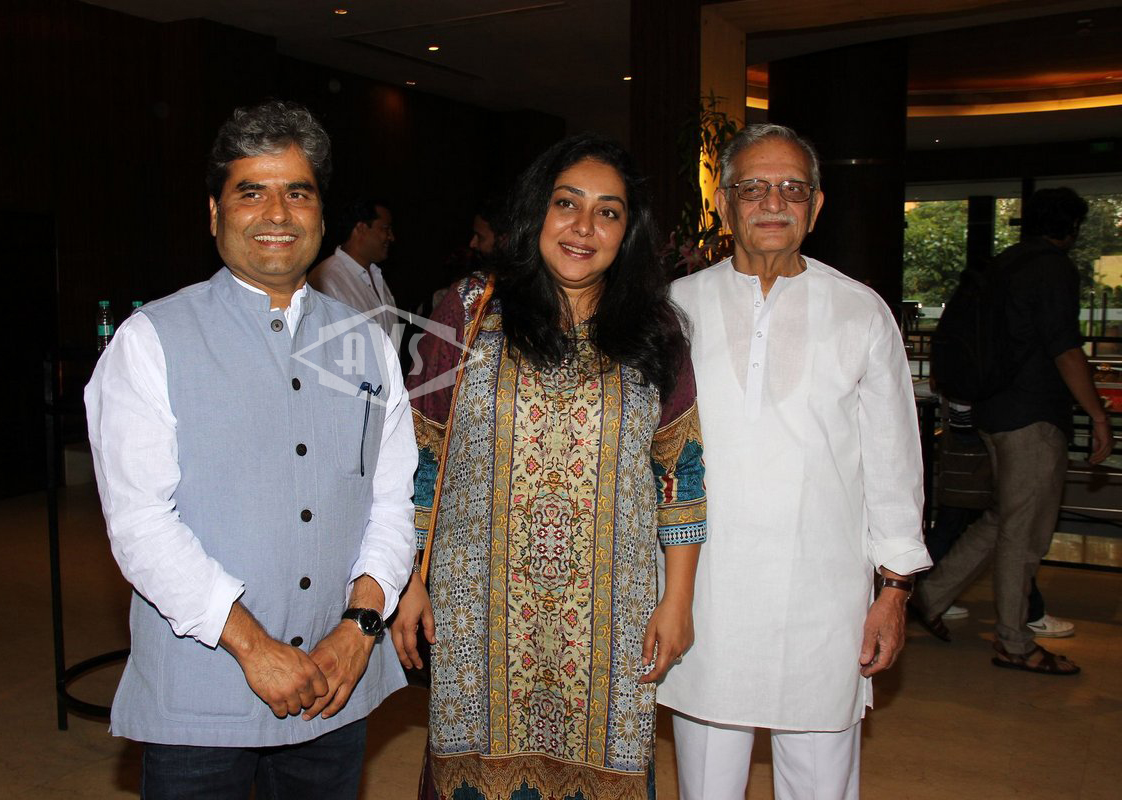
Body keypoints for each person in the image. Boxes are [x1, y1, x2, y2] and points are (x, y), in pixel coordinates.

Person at [84, 100, 417, 799]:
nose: (277, 213)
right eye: (251, 192)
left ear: (320, 216)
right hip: (205, 692)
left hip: (336, 681)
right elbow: (141, 523)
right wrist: (254, 647)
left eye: (298, 192)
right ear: (214, 213)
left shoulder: (368, 345)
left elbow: (390, 503)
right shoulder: (151, 342)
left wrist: (360, 627)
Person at [390, 133, 707, 800]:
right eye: (567, 204)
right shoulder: (471, 309)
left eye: (607, 212)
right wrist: (409, 578)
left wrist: (677, 599)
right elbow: (421, 453)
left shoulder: (654, 329)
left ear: (628, 231)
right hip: (477, 609)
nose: (584, 227)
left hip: (610, 616)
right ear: (538, 211)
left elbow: (681, 469)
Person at [660, 123, 931, 800]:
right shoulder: (675, 309)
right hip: (705, 592)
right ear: (724, 203)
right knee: (706, 783)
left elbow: (895, 461)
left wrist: (894, 589)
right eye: (753, 187)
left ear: (817, 205)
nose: (773, 202)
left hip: (824, 598)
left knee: (819, 783)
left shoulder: (860, 312)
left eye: (792, 188)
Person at [911, 187, 1111, 674]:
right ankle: (1014, 643)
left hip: (993, 412)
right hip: (1031, 416)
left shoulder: (1003, 265)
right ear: (1071, 228)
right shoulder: (1053, 269)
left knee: (1002, 520)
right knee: (1024, 534)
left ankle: (930, 596)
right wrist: (1098, 416)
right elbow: (1065, 348)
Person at [309, 198, 402, 346]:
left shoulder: (377, 276)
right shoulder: (326, 279)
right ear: (361, 228)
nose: (391, 237)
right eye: (385, 228)